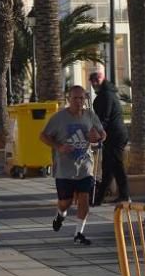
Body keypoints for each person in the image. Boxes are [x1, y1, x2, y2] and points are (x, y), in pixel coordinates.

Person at [40, 85, 105, 245]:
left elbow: (103, 133)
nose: (78, 101)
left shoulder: (90, 115)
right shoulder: (59, 118)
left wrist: (98, 137)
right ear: (69, 99)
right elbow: (43, 136)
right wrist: (59, 147)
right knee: (65, 202)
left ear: (85, 99)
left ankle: (79, 234)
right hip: (64, 169)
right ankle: (60, 215)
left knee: (84, 199)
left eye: (81, 98)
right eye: (75, 98)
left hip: (85, 167)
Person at [89, 68, 129, 205]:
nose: (94, 83)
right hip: (112, 135)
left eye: (97, 79)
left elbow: (104, 118)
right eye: (93, 80)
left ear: (102, 79)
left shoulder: (106, 95)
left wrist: (98, 133)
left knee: (114, 166)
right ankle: (106, 197)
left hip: (115, 135)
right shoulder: (106, 94)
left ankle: (115, 196)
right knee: (111, 167)